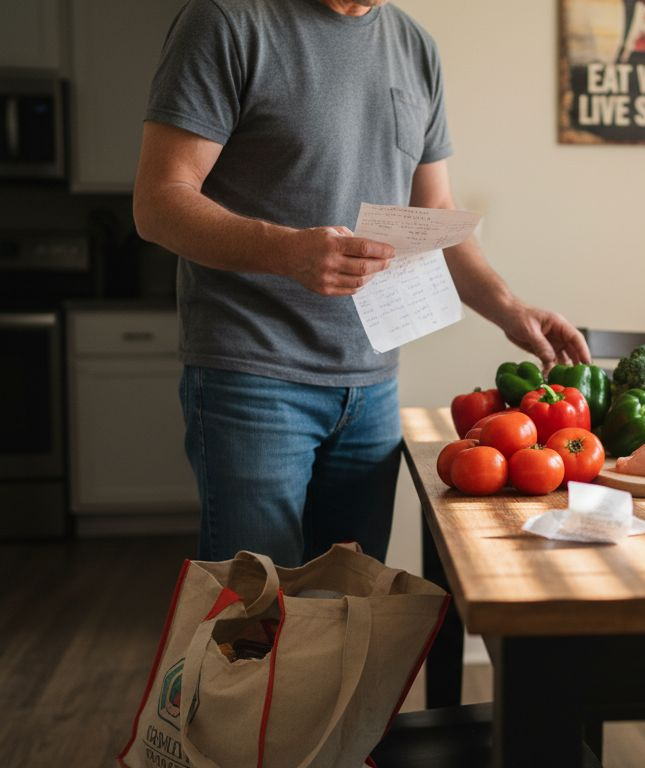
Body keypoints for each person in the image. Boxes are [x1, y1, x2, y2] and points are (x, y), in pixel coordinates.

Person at [133, 0, 589, 567]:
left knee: (351, 611)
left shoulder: (413, 45)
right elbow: (158, 202)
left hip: (371, 388)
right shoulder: (228, 21)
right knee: (253, 623)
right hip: (253, 377)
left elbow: (435, 210)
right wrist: (288, 251)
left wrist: (507, 308)